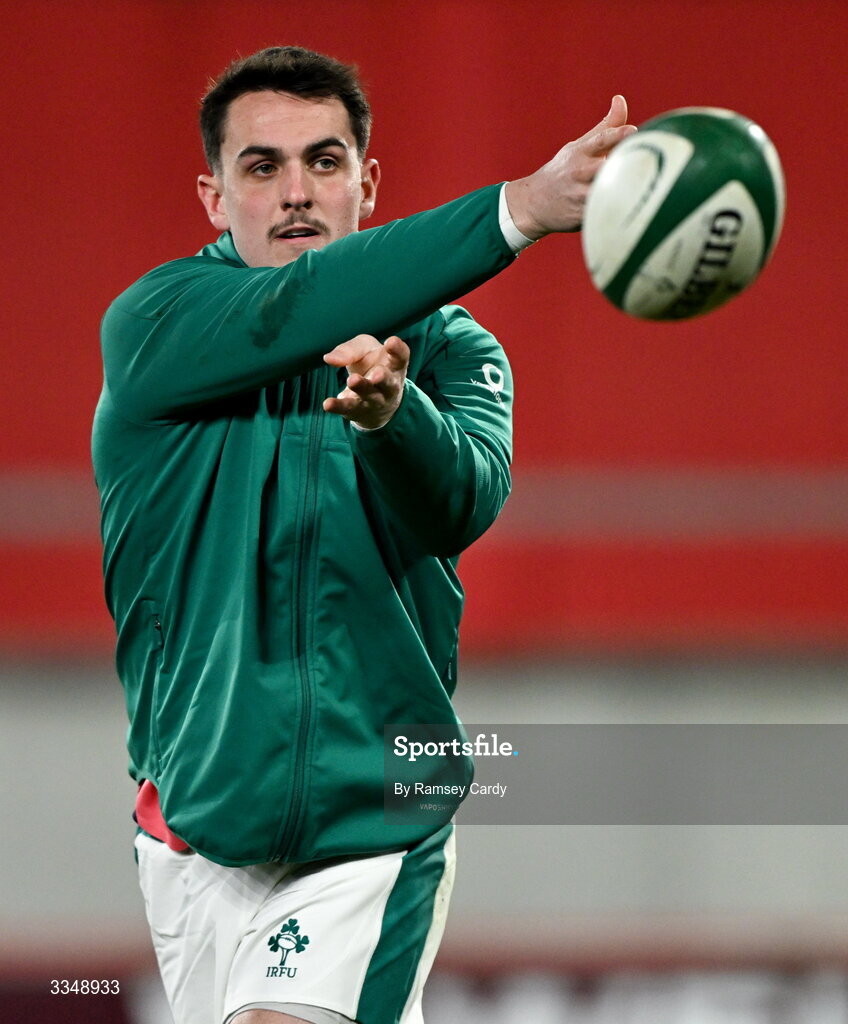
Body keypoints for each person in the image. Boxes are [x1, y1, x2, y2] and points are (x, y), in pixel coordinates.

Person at [92, 45, 634, 1024]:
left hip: (374, 820)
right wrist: (515, 208)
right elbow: (298, 308)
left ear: (367, 183)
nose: (296, 192)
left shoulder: (451, 349)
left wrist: (395, 420)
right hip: (194, 832)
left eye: (325, 161)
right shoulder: (154, 330)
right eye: (263, 168)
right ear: (214, 196)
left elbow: (461, 502)